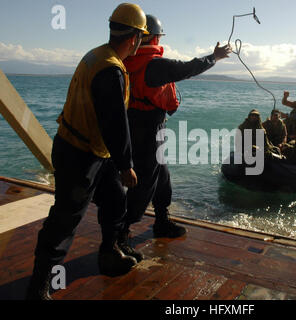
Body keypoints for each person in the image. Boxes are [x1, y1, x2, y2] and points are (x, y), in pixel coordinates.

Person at [26, 3, 148, 300]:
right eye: (141, 38)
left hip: (93, 150)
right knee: (65, 218)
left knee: (115, 200)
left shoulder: (98, 55)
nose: (140, 43)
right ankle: (39, 285)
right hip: (79, 153)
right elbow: (114, 124)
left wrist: (115, 162)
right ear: (133, 38)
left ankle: (110, 252)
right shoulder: (111, 70)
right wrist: (125, 165)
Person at [122, 14, 231, 241]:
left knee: (162, 177)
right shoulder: (153, 65)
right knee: (146, 181)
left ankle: (162, 220)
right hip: (149, 128)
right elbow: (187, 68)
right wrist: (215, 57)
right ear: (151, 37)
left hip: (134, 125)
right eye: (159, 38)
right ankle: (121, 230)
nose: (159, 42)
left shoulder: (125, 61)